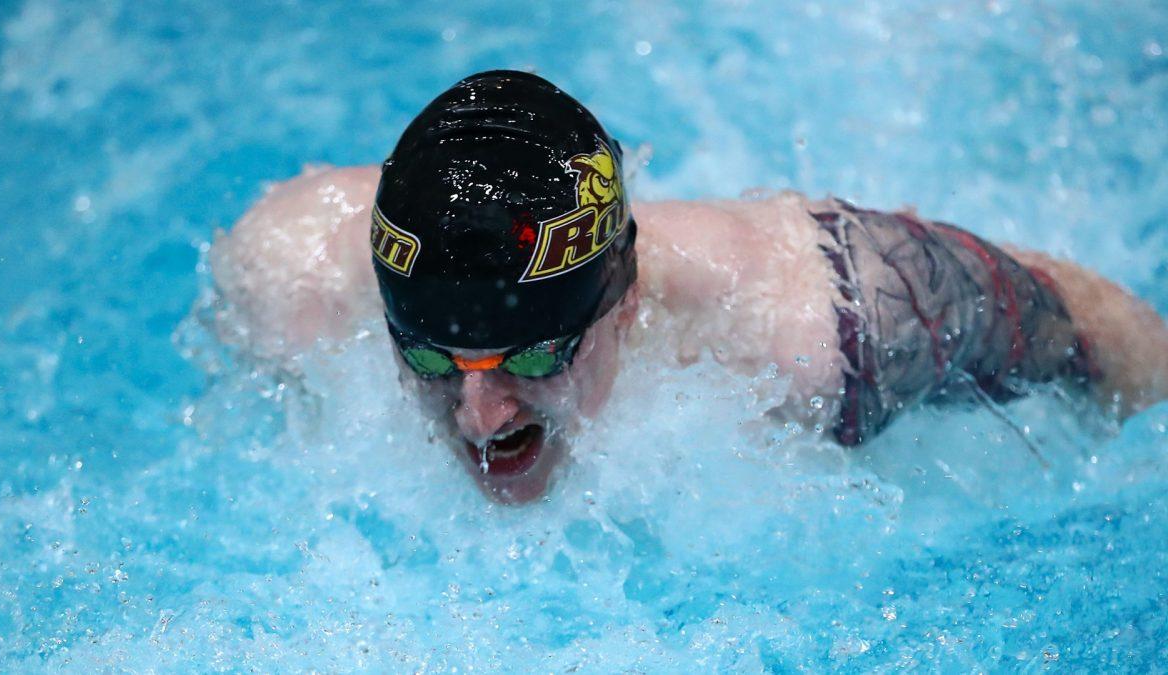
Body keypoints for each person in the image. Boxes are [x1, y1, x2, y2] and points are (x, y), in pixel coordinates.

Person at [210, 70, 1168, 504]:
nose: (479, 411)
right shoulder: (287, 274)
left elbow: (1084, 316)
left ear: (623, 302)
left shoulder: (821, 322)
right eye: (427, 357)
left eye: (536, 354)